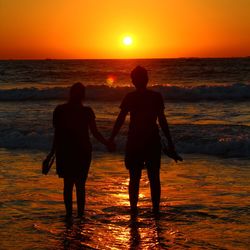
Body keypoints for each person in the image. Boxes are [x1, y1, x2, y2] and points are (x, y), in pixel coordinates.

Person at [109, 66, 181, 215]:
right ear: (147, 79)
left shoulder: (130, 97)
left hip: (135, 140)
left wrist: (111, 137)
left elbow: (120, 119)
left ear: (133, 81)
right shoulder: (156, 97)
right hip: (152, 140)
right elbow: (162, 121)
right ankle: (155, 211)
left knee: (134, 177)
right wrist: (170, 142)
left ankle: (134, 210)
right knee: (154, 177)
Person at [44, 82, 111, 220]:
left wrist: (51, 154)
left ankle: (69, 215)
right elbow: (95, 133)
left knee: (68, 185)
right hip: (82, 151)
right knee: (80, 185)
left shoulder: (60, 110)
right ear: (83, 95)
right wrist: (107, 143)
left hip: (66, 151)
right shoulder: (86, 111)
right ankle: (80, 216)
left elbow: (57, 134)